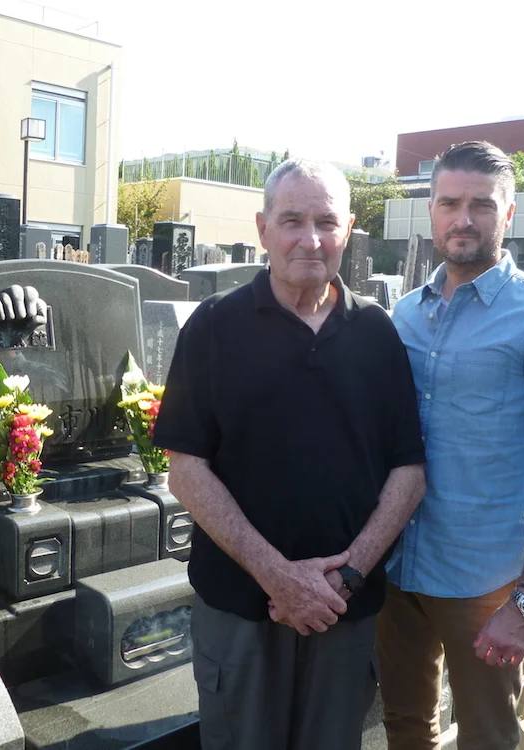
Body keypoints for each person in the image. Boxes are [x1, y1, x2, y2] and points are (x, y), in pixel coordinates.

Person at [153, 158, 427, 750]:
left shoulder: (377, 334)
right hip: (242, 611)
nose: (311, 238)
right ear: (263, 228)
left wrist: (346, 576)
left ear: (348, 229)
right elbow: (186, 471)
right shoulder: (213, 328)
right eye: (292, 220)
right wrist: (278, 577)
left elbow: (409, 471)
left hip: (344, 611)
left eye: (326, 221)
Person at [377, 141, 524, 749]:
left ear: (509, 214)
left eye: (482, 204)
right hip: (397, 569)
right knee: (404, 724)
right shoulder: (404, 317)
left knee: (488, 736)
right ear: (431, 210)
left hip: (483, 583)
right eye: (449, 203)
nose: (463, 219)